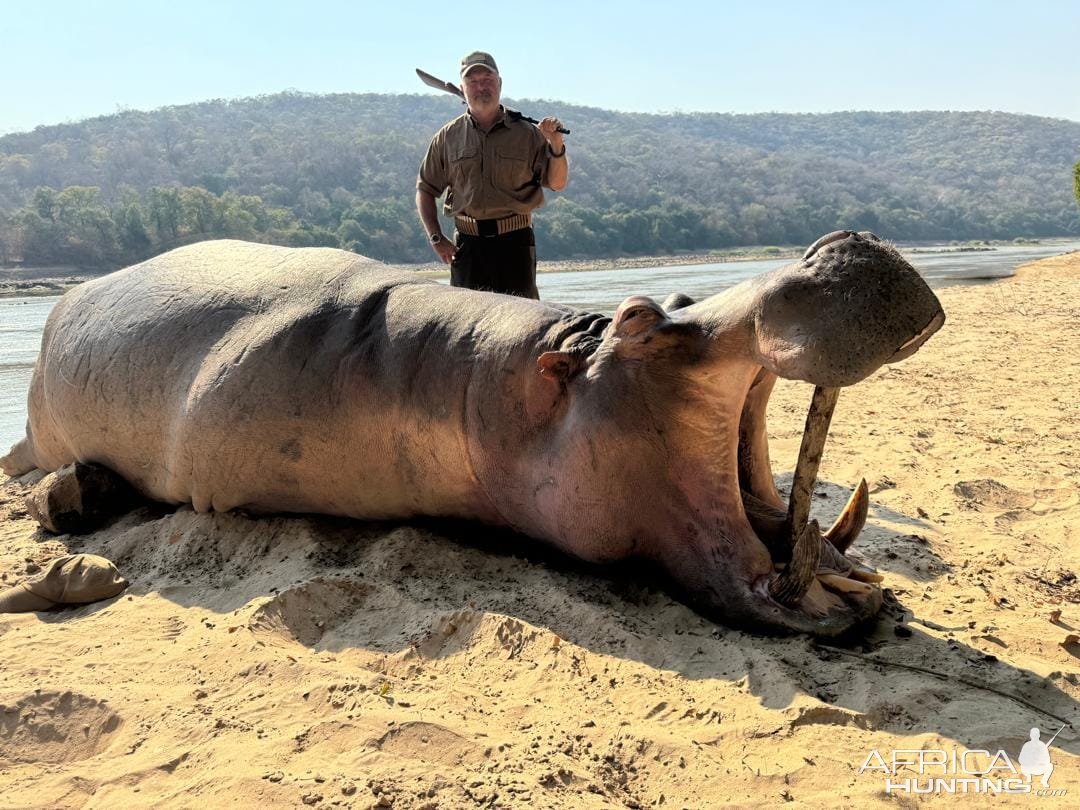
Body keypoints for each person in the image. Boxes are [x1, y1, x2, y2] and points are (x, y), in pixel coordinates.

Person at [415, 51, 568, 299]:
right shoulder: (447, 137)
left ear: (500, 83)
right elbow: (425, 190)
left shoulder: (527, 133)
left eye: (487, 79)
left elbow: (557, 183)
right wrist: (435, 237)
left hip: (515, 244)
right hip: (466, 246)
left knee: (523, 328)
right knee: (465, 329)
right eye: (472, 82)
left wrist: (556, 146)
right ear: (463, 89)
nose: (481, 87)